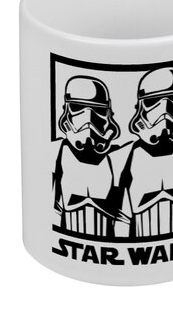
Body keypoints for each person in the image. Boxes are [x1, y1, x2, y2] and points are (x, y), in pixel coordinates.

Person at [113, 66, 173, 238]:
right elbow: (122, 218)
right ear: (140, 107)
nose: (164, 110)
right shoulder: (125, 156)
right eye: (153, 101)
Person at [52, 76, 121, 237]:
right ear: (66, 110)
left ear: (108, 114)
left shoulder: (119, 158)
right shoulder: (57, 153)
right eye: (78, 107)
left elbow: (123, 217)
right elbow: (52, 212)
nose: (88, 119)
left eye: (98, 110)